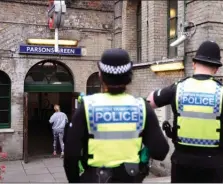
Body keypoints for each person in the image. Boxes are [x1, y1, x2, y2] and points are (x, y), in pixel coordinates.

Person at [146, 40, 223, 183]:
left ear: (194, 64)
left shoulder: (177, 88)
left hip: (182, 161)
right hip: (213, 163)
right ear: (216, 68)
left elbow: (150, 102)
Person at [64, 48, 169, 183]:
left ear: (100, 75)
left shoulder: (87, 106)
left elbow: (70, 156)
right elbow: (160, 151)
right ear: (130, 76)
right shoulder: (142, 107)